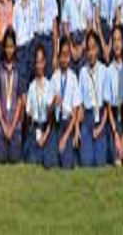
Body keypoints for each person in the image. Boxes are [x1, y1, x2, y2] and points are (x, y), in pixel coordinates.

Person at [77, 31, 108, 167]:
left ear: (98, 50)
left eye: (93, 48)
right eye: (88, 49)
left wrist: (100, 128)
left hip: (100, 117)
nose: (91, 53)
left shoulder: (104, 70)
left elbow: (107, 106)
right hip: (87, 117)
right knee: (86, 162)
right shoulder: (82, 72)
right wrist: (77, 128)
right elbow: (79, 105)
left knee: (100, 162)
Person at [50, 37, 81, 170]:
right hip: (56, 123)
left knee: (67, 164)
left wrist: (66, 136)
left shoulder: (73, 78)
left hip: (68, 124)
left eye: (67, 55)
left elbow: (75, 113)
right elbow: (49, 110)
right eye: (62, 55)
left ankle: (69, 151)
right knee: (49, 162)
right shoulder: (54, 78)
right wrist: (53, 103)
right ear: (58, 56)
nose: (65, 59)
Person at [0, 27, 23, 164]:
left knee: (14, 159)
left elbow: (20, 101)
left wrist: (11, 127)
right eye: (7, 46)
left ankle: (15, 139)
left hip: (15, 124)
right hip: (3, 124)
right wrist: (4, 125)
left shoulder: (19, 68)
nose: (9, 50)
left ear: (15, 47)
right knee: (1, 158)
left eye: (11, 46)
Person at [23, 44, 54, 167]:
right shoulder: (31, 87)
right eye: (37, 62)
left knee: (48, 159)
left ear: (45, 63)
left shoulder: (49, 85)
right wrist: (29, 114)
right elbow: (29, 114)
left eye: (41, 62)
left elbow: (51, 118)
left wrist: (44, 136)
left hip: (46, 128)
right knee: (32, 159)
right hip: (35, 129)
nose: (39, 65)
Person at [61, 0, 93, 75]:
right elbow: (65, 25)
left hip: (83, 38)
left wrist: (83, 45)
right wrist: (71, 46)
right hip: (72, 39)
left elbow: (90, 23)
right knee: (72, 75)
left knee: (84, 73)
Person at [104, 26, 123, 166]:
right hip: (113, 118)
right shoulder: (108, 70)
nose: (117, 44)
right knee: (117, 160)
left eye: (119, 39)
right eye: (114, 40)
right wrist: (116, 134)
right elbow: (107, 105)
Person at [13, 0, 37, 95]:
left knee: (33, 89)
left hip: (32, 48)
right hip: (21, 51)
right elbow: (14, 32)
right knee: (23, 92)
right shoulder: (16, 7)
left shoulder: (34, 6)